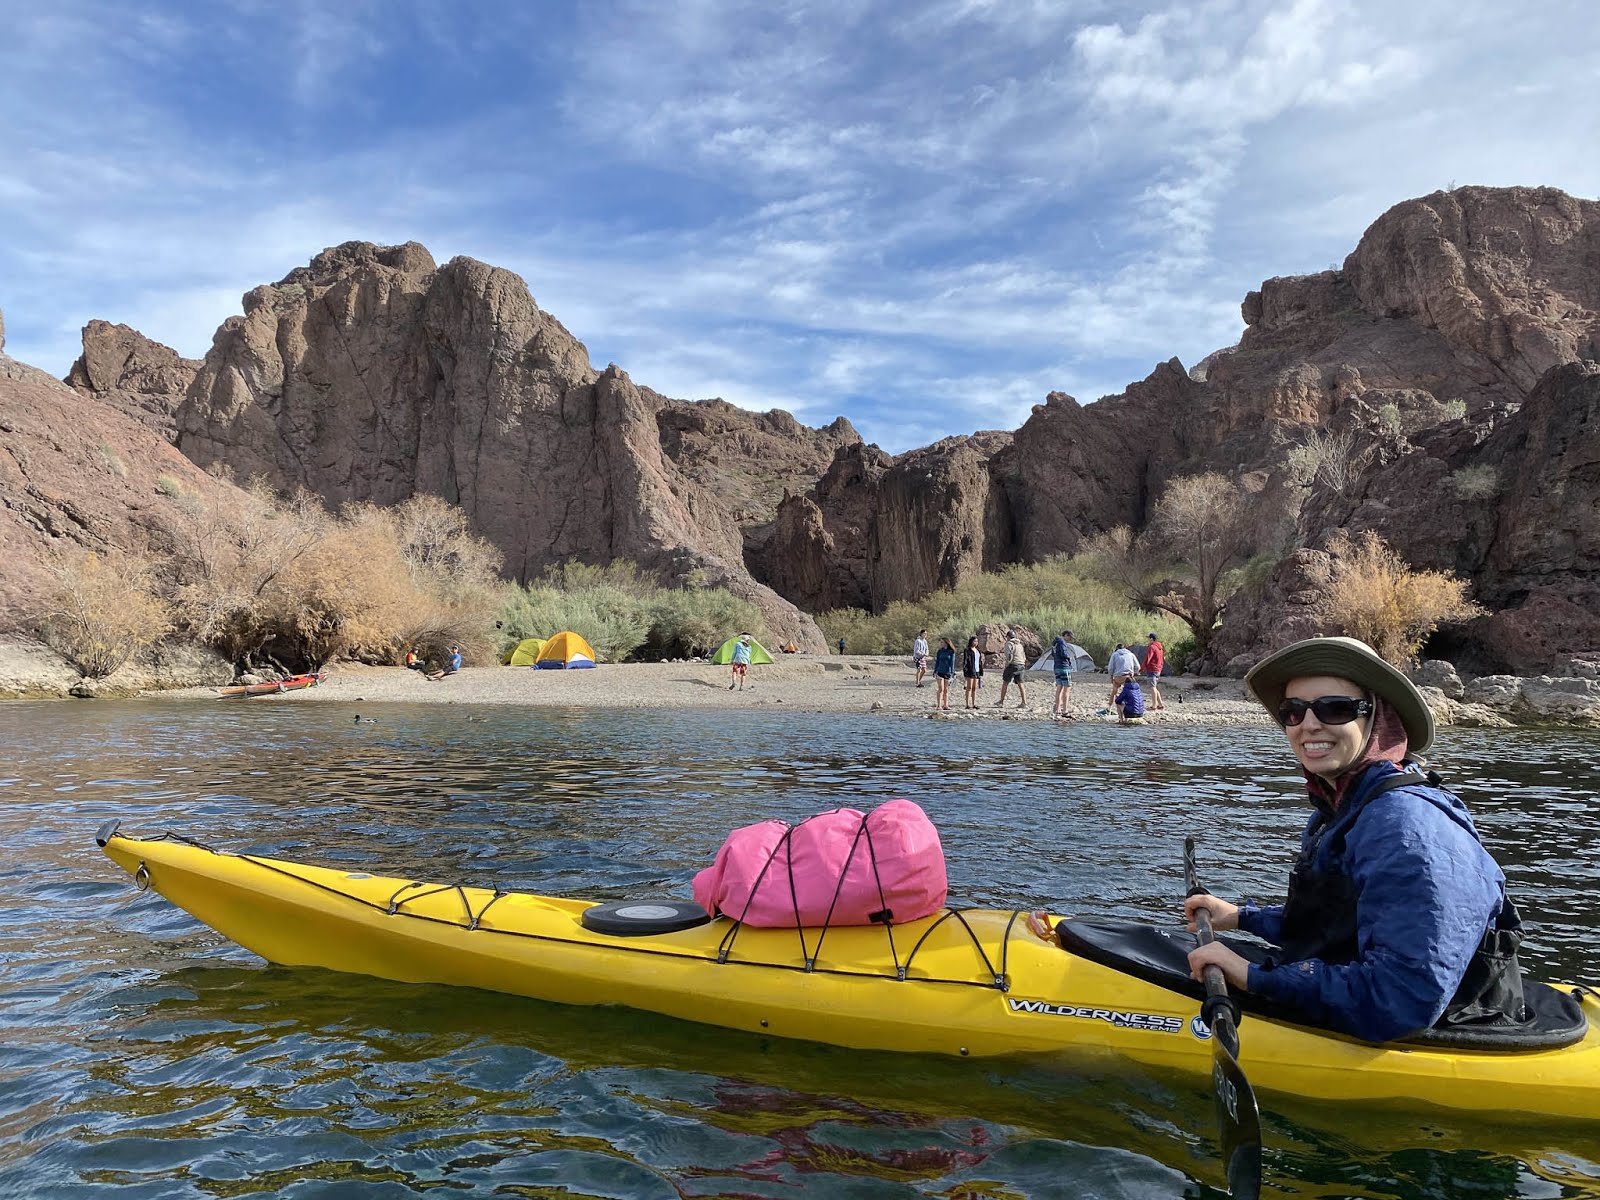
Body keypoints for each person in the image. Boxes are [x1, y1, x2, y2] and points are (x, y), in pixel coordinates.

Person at [1181, 636, 1526, 1044]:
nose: (1309, 725)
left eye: (1335, 708)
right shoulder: (1342, 806)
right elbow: (1338, 922)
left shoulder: (1406, 825)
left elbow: (1403, 999)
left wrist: (1253, 977)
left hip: (1437, 1022)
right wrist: (1243, 917)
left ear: (1378, 718)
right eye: (1293, 712)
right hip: (1373, 993)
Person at [995, 628, 1028, 708]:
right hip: (1021, 664)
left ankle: (1001, 702)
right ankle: (1024, 702)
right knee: (1021, 684)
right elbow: (1024, 656)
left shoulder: (1009, 644)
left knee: (1005, 682)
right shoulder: (1020, 644)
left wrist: (1007, 665)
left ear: (1008, 637)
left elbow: (1009, 656)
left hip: (1013, 665)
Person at [1050, 629, 1076, 719]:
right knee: (1067, 689)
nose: (1070, 639)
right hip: (1064, 667)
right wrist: (1070, 657)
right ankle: (1065, 710)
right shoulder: (1062, 642)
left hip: (1056, 667)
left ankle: (1057, 709)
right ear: (1066, 635)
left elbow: (1053, 654)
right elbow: (1064, 653)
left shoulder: (1055, 643)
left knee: (1059, 688)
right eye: (1070, 637)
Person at [932, 637, 956, 712]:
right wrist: (935, 671)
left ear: (946, 643)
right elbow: (937, 662)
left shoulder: (951, 652)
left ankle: (946, 705)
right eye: (940, 642)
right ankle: (939, 705)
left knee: (946, 689)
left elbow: (952, 663)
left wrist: (952, 672)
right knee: (941, 688)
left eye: (942, 642)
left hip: (947, 672)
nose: (941, 644)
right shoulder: (940, 651)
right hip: (940, 671)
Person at [1143, 632, 1166, 709]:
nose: (1148, 640)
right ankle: (1160, 704)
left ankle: (1154, 705)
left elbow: (1148, 658)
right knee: (1155, 687)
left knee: (1152, 687)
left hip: (1152, 669)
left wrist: (1141, 668)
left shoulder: (1152, 647)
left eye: (1149, 638)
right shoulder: (1160, 648)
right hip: (1158, 669)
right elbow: (1162, 659)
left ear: (1152, 639)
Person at [961, 636, 983, 709]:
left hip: (977, 670)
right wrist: (965, 670)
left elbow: (979, 661)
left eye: (977, 641)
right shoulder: (967, 650)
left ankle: (974, 703)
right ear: (971, 642)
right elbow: (965, 661)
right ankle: (967, 704)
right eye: (974, 641)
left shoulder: (978, 650)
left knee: (974, 688)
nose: (976, 643)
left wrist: (980, 670)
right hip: (970, 670)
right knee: (969, 687)